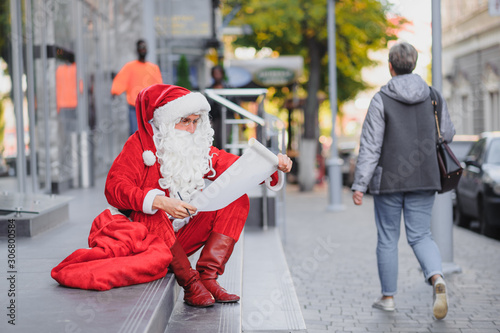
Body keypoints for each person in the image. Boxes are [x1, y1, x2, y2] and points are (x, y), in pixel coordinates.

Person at [105, 84, 293, 307]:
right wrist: (158, 201)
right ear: (166, 122)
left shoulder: (196, 148)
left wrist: (272, 164)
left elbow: (235, 168)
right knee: (152, 213)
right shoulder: (139, 146)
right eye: (185, 121)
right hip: (146, 243)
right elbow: (114, 187)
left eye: (196, 121)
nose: (192, 129)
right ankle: (191, 283)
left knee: (236, 197)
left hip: (180, 240)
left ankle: (208, 276)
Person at [351, 42, 455, 320]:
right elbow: (446, 133)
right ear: (415, 63)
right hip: (426, 176)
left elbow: (371, 146)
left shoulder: (381, 99)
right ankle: (436, 278)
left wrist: (360, 185)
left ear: (390, 66)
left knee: (387, 238)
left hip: (389, 181)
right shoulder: (433, 95)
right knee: (421, 235)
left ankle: (388, 298)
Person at [111, 39, 163, 135]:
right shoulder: (130, 67)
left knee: (149, 134)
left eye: (144, 47)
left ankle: (147, 150)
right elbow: (121, 80)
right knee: (135, 134)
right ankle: (137, 150)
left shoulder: (153, 68)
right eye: (140, 47)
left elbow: (158, 87)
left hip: (149, 108)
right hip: (134, 107)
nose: (142, 49)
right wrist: (115, 91)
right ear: (137, 50)